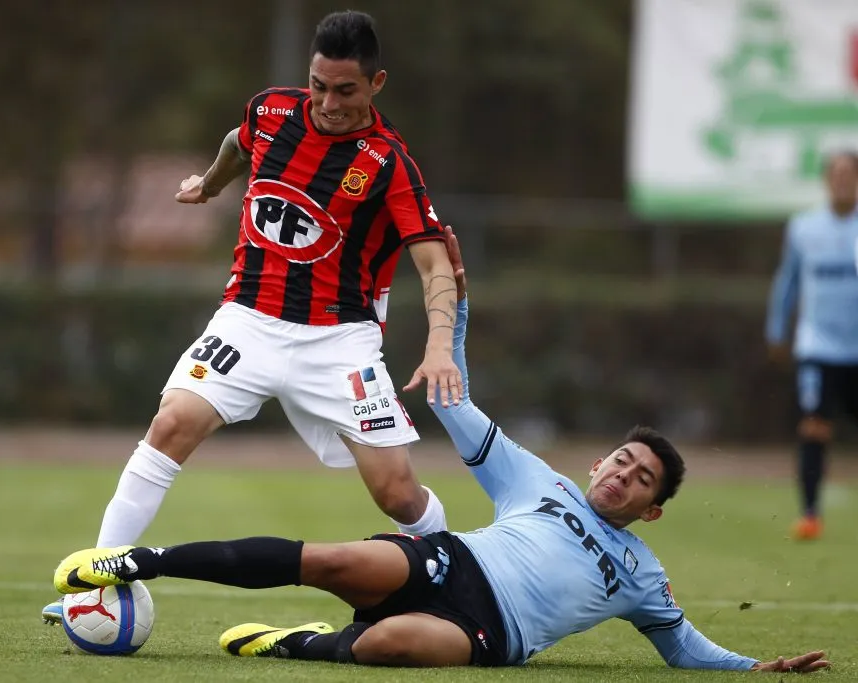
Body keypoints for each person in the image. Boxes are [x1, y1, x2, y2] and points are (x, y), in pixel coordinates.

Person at [52, 227, 829, 673]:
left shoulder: (643, 576)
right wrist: (452, 322)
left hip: (488, 634)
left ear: (652, 509)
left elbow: (686, 650)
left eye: (641, 478)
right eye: (621, 460)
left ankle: (304, 644)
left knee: (393, 642)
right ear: (599, 464)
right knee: (327, 559)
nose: (623, 474)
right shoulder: (539, 481)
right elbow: (452, 400)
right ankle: (138, 561)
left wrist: (755, 668)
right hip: (449, 561)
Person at [42, 10, 461, 623]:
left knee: (396, 494)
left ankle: (452, 582)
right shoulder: (272, 110)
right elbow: (240, 143)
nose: (328, 102)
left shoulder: (389, 163)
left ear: (377, 84)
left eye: (345, 90)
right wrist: (210, 186)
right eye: (318, 85)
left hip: (339, 342)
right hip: (248, 321)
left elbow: (434, 264)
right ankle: (92, 585)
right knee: (171, 424)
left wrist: (440, 345)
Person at [766, 150, 858, 541]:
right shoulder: (804, 228)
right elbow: (787, 281)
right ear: (825, 180)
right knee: (814, 425)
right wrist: (776, 329)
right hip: (817, 345)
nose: (842, 180)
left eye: (849, 174)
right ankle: (810, 514)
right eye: (835, 174)